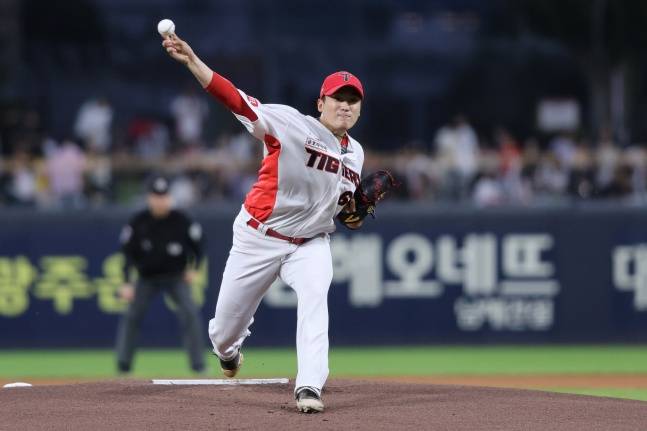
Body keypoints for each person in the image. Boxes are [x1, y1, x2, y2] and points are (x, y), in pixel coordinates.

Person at [162, 33, 366, 413]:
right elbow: (236, 100)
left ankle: (309, 386)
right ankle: (229, 352)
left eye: (352, 100)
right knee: (223, 332)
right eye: (338, 98)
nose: (345, 105)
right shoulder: (290, 124)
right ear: (320, 102)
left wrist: (351, 210)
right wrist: (193, 62)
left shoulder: (356, 153)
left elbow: (339, 207)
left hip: (309, 243)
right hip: (259, 236)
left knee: (315, 298)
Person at [115, 174, 206, 374]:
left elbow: (199, 247)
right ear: (149, 198)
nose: (160, 200)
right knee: (132, 315)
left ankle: (198, 365)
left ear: (169, 197)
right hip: (146, 278)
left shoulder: (181, 220)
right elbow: (127, 254)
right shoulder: (138, 221)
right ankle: (123, 365)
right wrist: (126, 282)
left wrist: (195, 268)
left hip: (176, 277)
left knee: (190, 313)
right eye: (156, 196)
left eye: (164, 196)